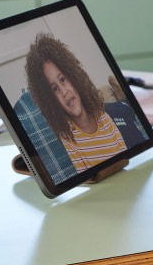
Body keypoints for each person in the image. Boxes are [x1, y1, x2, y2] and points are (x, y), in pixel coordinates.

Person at [25, 32, 126, 172]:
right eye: (54, 89)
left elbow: (125, 159)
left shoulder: (104, 118)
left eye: (62, 80)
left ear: (74, 78)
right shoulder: (68, 140)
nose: (63, 91)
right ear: (50, 101)